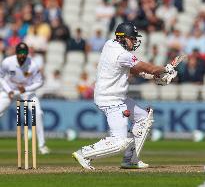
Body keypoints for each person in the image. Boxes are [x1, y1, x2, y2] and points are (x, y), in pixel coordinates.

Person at [72, 22, 177, 170]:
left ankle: (130, 160)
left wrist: (153, 76)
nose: (134, 42)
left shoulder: (110, 44)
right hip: (111, 99)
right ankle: (84, 153)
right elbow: (149, 68)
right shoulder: (121, 54)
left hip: (115, 96)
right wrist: (165, 70)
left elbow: (134, 70)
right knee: (120, 142)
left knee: (144, 118)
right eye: (132, 38)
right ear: (122, 38)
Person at [0, 42, 50, 154]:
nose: (22, 55)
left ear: (27, 53)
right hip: (10, 91)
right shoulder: (7, 62)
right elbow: (1, 77)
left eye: (24, 53)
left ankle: (42, 146)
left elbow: (40, 82)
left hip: (27, 92)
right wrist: (9, 91)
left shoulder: (33, 64)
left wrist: (26, 89)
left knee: (38, 113)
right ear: (16, 53)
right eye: (20, 53)